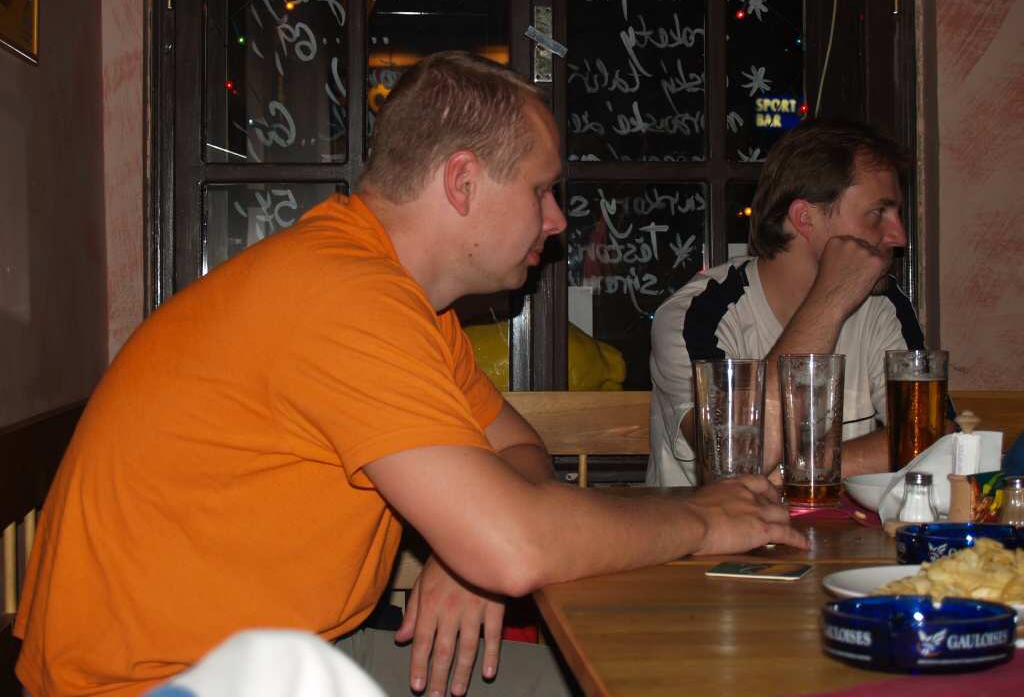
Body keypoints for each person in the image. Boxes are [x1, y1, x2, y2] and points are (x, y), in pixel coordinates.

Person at [15, 51, 806, 697]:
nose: (557, 219)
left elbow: (518, 451)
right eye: (541, 189)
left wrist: (471, 549)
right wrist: (701, 520)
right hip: (159, 684)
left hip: (287, 657)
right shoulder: (344, 295)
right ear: (462, 182)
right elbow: (515, 544)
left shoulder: (407, 305)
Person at [648, 118, 930, 487]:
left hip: (839, 525)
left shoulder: (883, 305)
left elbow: (931, 436)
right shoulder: (696, 315)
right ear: (804, 218)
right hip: (704, 526)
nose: (899, 236)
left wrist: (794, 473)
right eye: (878, 213)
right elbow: (735, 465)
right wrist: (830, 301)